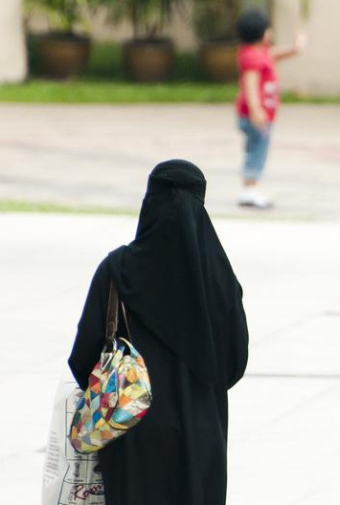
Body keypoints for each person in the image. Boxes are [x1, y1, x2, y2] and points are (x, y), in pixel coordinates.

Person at [69, 160, 250, 505]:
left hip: (130, 432)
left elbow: (83, 358)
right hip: (202, 434)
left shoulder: (116, 270)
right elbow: (235, 362)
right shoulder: (220, 279)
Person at [234, 8, 306, 209]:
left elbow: (274, 55)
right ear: (263, 33)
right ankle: (249, 190)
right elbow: (250, 84)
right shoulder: (252, 57)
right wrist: (256, 110)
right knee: (258, 150)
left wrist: (295, 48)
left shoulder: (257, 53)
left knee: (256, 149)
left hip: (260, 115)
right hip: (255, 115)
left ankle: (250, 188)